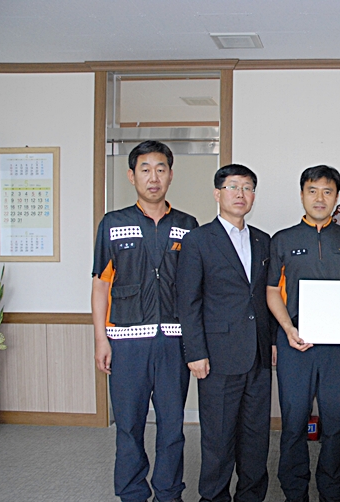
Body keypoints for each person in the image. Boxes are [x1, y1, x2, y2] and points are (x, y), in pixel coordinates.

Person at [92, 140, 198, 502]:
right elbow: (101, 284)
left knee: (172, 426)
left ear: (170, 175)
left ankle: (169, 492)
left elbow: (195, 288)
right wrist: (101, 340)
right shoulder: (113, 223)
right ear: (131, 176)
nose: (153, 178)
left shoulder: (187, 225)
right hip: (126, 342)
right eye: (145, 170)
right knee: (129, 425)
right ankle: (133, 493)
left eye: (160, 169)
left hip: (173, 341)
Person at [176, 164, 276, 502]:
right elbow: (188, 301)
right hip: (217, 357)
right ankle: (214, 496)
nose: (240, 194)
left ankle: (251, 496)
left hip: (258, 355)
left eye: (247, 188)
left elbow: (266, 297)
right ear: (217, 194)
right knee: (218, 438)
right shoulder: (198, 240)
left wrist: (272, 341)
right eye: (233, 187)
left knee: (256, 437)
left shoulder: (263, 240)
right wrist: (195, 352)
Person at [266, 165, 340, 502]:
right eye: (312, 190)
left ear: (336, 197)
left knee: (335, 423)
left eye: (327, 191)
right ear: (302, 194)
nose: (319, 198)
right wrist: (288, 329)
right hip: (296, 344)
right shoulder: (283, 239)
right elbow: (271, 291)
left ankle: (331, 491)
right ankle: (294, 491)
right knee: (294, 421)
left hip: (338, 347)